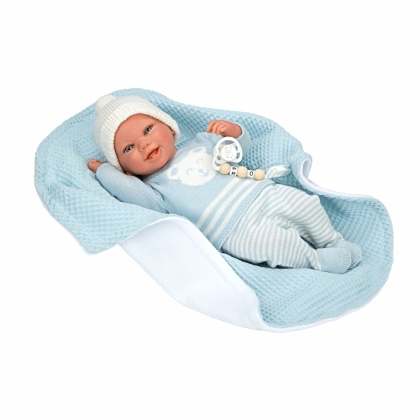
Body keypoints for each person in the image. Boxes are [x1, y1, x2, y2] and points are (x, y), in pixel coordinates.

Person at [89, 94, 362, 274]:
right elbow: (131, 193)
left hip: (261, 193)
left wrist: (234, 132)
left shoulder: (202, 141)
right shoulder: (153, 190)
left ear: (169, 128)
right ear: (125, 169)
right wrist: (104, 171)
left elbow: (237, 149)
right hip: (232, 232)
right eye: (128, 148)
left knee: (305, 205)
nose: (144, 143)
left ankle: (332, 241)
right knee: (273, 244)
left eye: (148, 130)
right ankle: (317, 262)